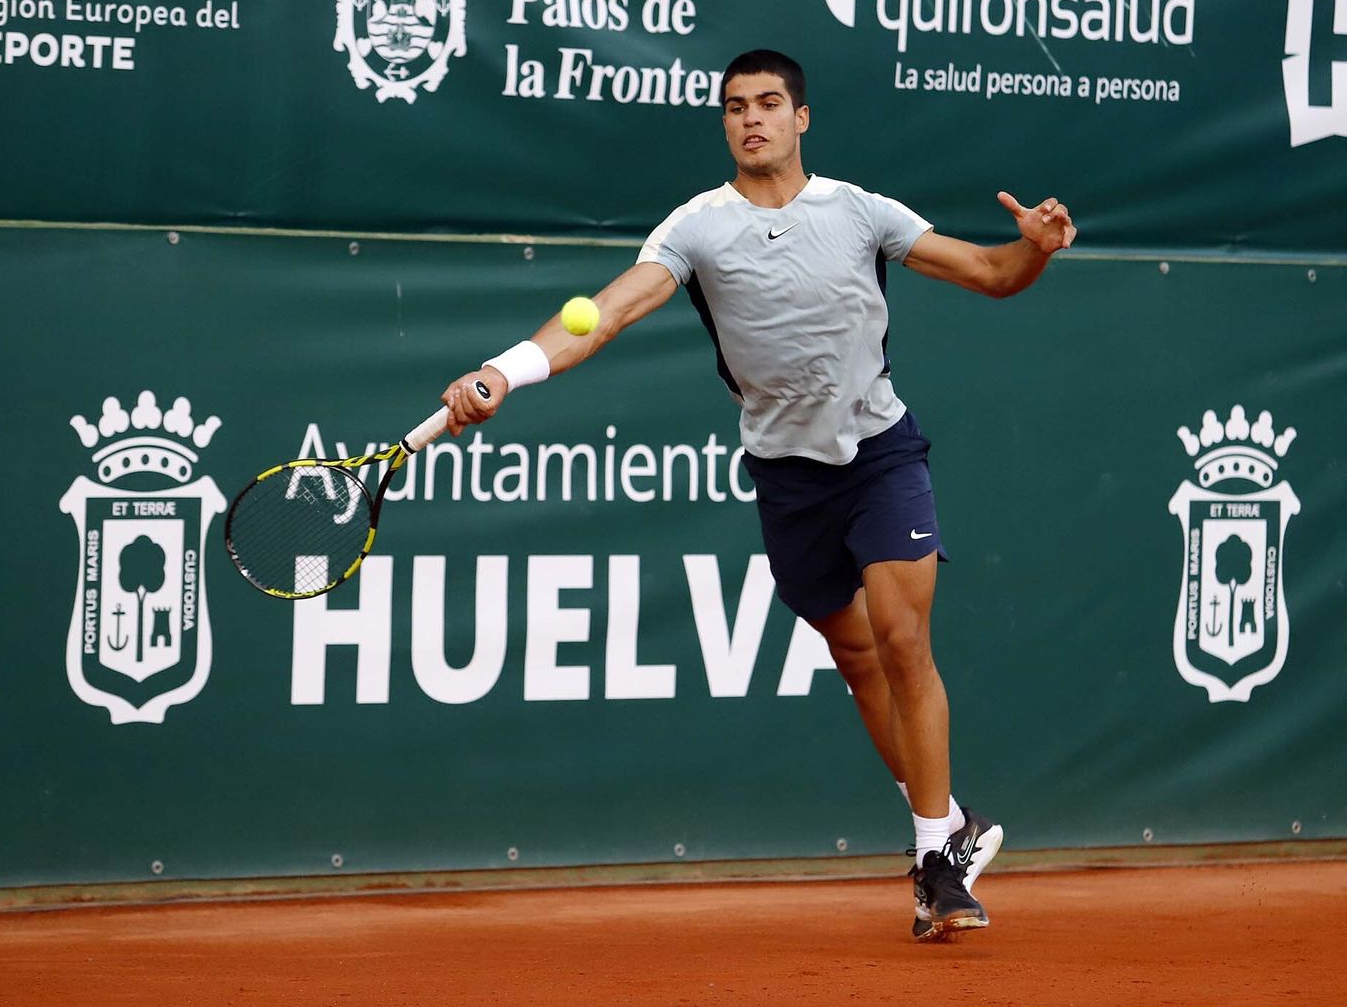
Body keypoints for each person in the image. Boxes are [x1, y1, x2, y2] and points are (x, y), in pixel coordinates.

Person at [439, 48, 1076, 941]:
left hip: (881, 454)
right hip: (787, 479)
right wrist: (505, 371)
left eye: (769, 104)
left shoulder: (860, 211)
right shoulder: (697, 228)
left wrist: (1035, 249)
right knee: (857, 659)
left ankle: (936, 861)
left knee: (902, 639)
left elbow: (991, 272)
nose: (751, 119)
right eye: (736, 107)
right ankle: (956, 825)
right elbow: (607, 313)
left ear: (801, 117)